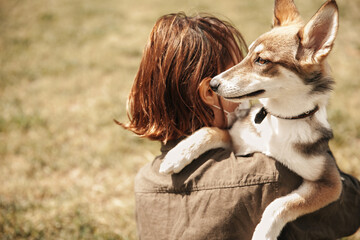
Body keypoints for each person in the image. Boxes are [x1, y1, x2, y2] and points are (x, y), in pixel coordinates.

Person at [120, 13, 360, 240]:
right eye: (236, 66)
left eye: (255, 61)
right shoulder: (274, 175)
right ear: (208, 93)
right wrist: (310, 123)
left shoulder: (144, 181)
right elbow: (350, 210)